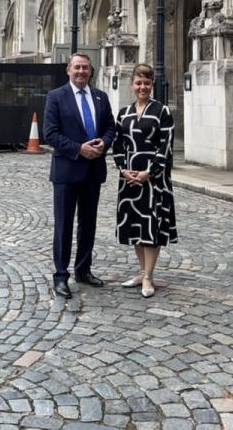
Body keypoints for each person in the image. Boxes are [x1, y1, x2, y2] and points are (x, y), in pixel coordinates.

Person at [43, 52, 116, 299]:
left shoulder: (100, 97)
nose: (81, 72)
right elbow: (50, 134)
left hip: (93, 170)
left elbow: (110, 127)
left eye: (85, 68)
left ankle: (83, 270)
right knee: (63, 225)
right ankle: (61, 276)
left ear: (90, 70)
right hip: (67, 170)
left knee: (88, 224)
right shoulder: (56, 97)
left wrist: (103, 145)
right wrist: (79, 149)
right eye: (77, 67)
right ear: (68, 70)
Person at [112, 62, 177, 299]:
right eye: (139, 83)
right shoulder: (124, 113)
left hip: (154, 179)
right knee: (135, 226)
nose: (143, 87)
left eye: (147, 83)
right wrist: (123, 169)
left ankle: (149, 276)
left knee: (151, 226)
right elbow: (118, 145)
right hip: (130, 178)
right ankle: (141, 271)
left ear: (152, 85)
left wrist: (149, 172)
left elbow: (166, 146)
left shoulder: (162, 111)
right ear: (132, 85)